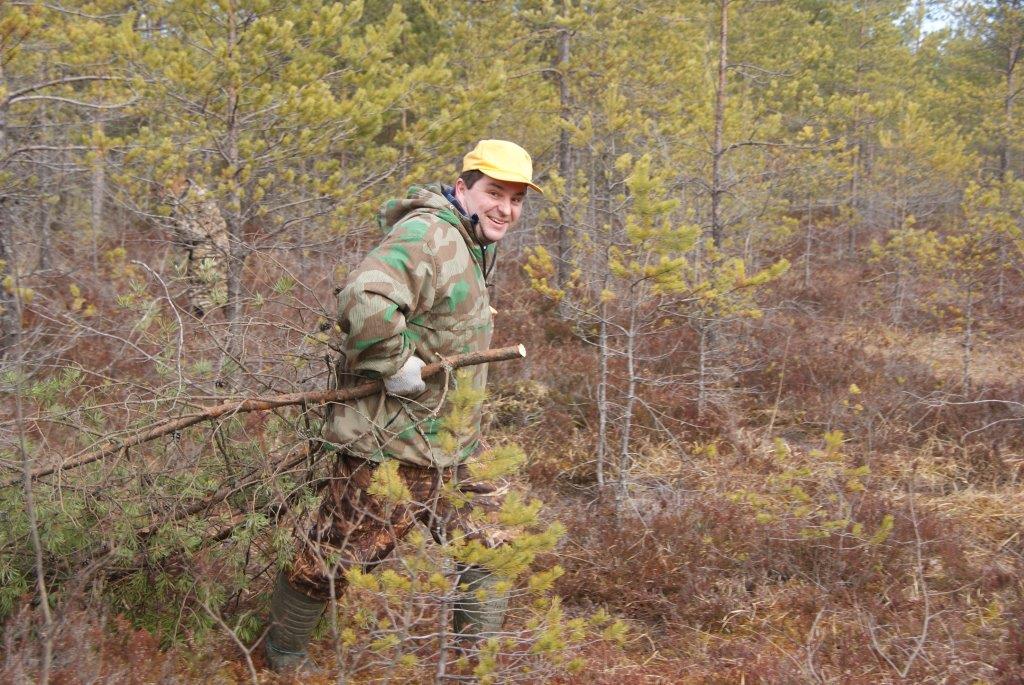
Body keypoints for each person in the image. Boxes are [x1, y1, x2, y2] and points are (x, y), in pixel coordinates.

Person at [264, 140, 542, 673]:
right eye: (494, 193)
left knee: (494, 547)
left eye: (516, 199)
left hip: (453, 444)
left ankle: (472, 672)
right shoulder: (428, 235)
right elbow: (363, 299)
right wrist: (393, 364)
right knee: (331, 560)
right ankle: (281, 657)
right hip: (392, 445)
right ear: (463, 188)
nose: (506, 209)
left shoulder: (472, 240)